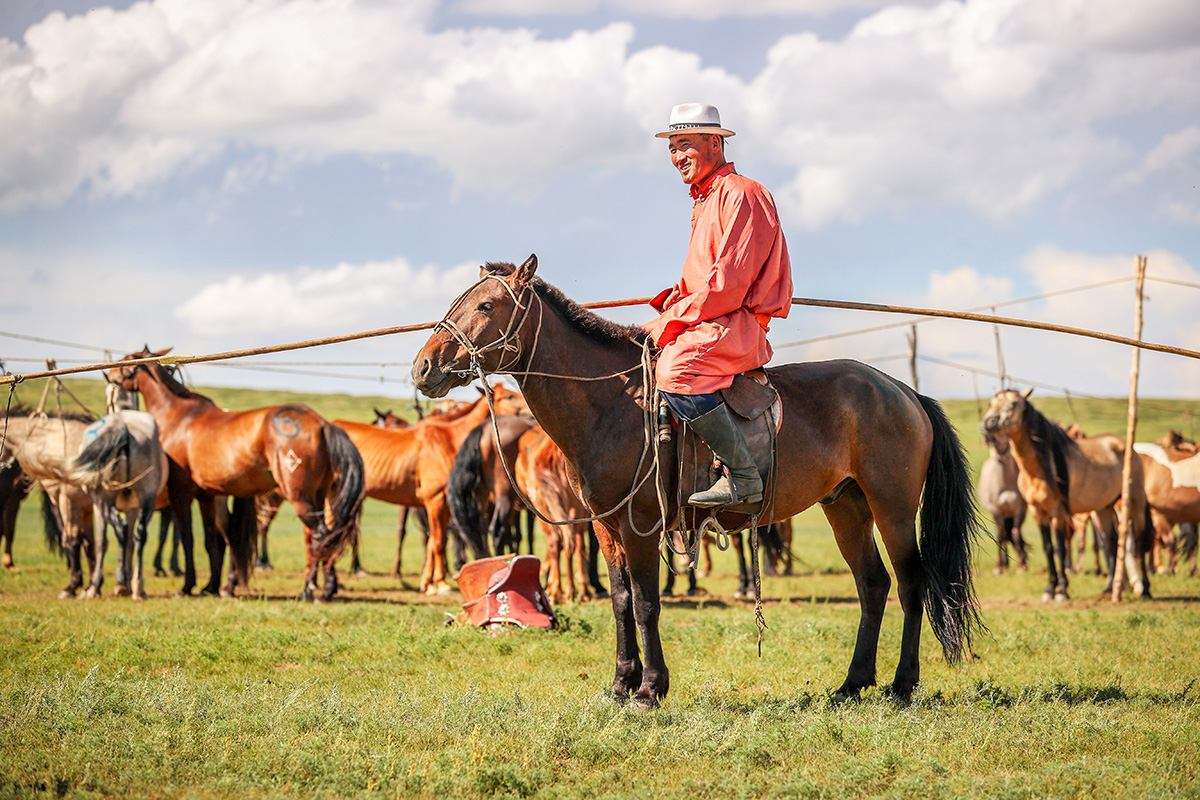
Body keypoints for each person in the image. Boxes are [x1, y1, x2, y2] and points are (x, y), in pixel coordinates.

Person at [645, 103, 793, 508]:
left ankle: (743, 477)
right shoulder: (704, 201)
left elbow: (727, 286)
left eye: (685, 146)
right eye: (672, 148)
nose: (677, 157)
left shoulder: (742, 194)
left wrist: (670, 321)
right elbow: (704, 280)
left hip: (736, 324)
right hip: (712, 318)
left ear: (715, 143)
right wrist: (672, 301)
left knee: (676, 370)